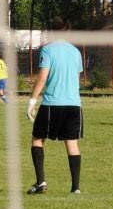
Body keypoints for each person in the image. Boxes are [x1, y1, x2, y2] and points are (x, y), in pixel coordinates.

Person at [25, 27, 83, 195]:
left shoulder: (48, 50)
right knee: (72, 143)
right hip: (74, 105)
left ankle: (41, 182)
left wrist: (32, 101)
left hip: (52, 103)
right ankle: (76, 187)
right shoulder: (75, 52)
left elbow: (43, 77)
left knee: (37, 139)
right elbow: (76, 79)